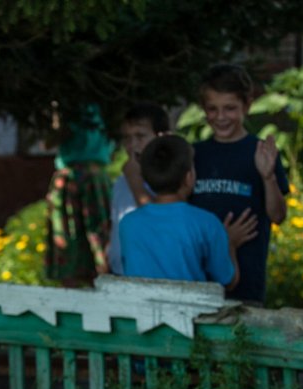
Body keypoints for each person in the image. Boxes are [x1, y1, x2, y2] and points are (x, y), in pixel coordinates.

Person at [189, 63, 286, 305]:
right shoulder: (193, 155)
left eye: (230, 108)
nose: (221, 117)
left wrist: (268, 177)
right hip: (197, 283)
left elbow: (278, 215)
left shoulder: (261, 153)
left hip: (246, 285)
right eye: (212, 109)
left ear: (247, 105)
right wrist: (224, 239)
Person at [120, 134, 255, 290]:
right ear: (189, 177)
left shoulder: (128, 224)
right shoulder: (206, 223)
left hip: (141, 312)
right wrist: (229, 243)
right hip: (189, 314)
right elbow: (227, 281)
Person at [44, 103, 113, 286]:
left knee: (99, 237)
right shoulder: (66, 101)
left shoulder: (107, 98)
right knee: (68, 240)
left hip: (89, 177)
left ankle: (103, 291)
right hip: (77, 177)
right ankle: (72, 301)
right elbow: (48, 142)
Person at [108, 102, 170, 274]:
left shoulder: (169, 178)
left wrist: (135, 180)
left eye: (140, 136)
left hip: (153, 276)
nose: (132, 145)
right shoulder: (121, 182)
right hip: (120, 274)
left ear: (161, 137)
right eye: (127, 138)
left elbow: (160, 222)